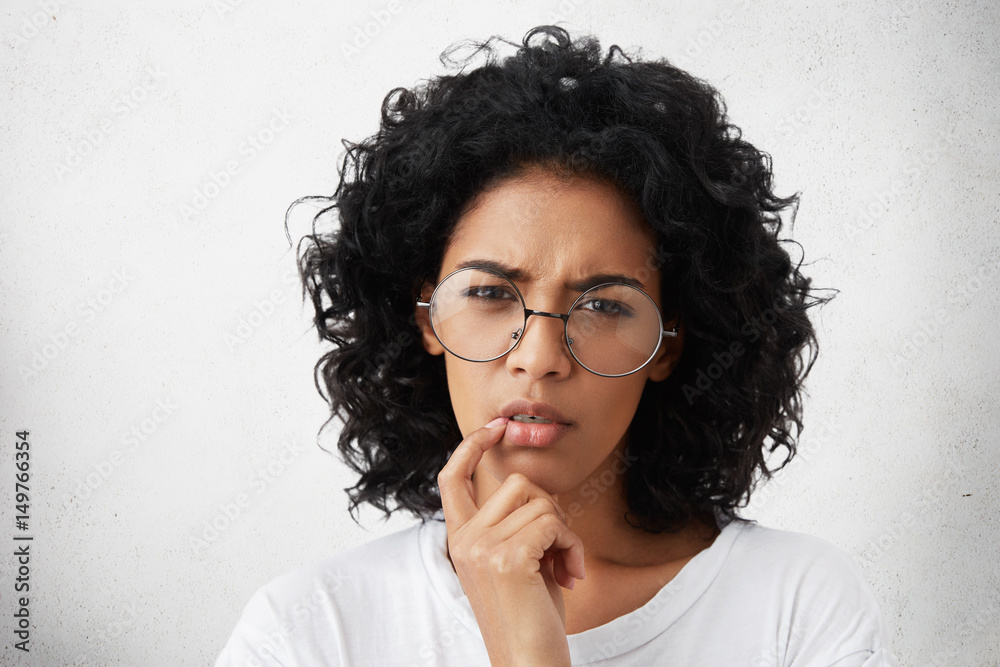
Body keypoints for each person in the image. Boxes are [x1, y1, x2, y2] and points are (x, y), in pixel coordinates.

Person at [215, 24, 899, 666]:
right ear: (425, 317)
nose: (539, 355)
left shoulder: (797, 607)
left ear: (667, 343)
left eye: (603, 304)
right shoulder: (309, 629)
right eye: (488, 293)